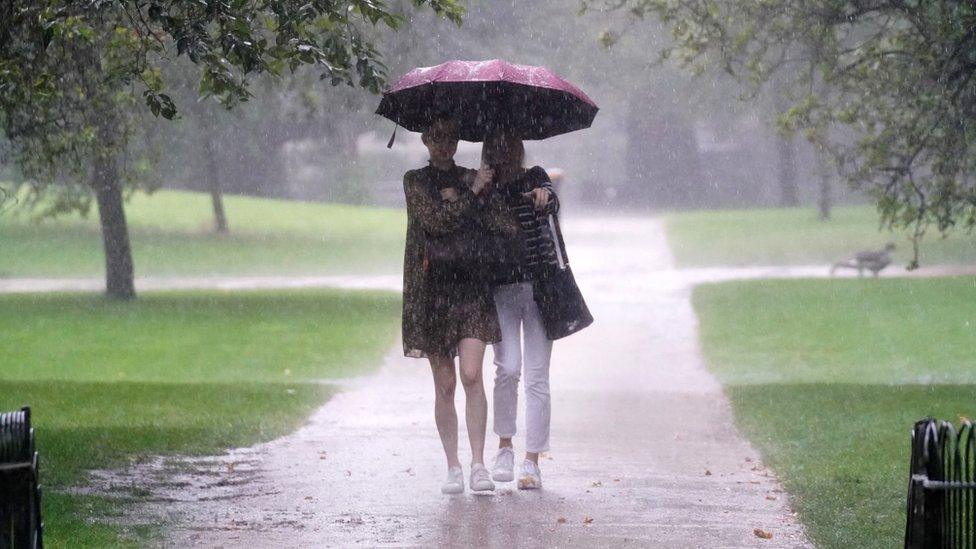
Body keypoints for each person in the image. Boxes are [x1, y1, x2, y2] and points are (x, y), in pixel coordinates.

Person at [401, 116, 499, 494]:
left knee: (472, 375)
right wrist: (469, 196)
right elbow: (436, 222)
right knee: (444, 384)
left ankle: (479, 463)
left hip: (470, 287)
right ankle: (453, 466)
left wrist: (484, 191)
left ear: (457, 141)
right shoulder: (415, 181)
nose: (444, 144)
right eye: (436, 137)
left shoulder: (474, 176)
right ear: (425, 139)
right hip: (433, 292)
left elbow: (494, 224)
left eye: (450, 137)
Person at [481, 131, 561, 490]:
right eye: (499, 144)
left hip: (540, 288)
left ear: (519, 147)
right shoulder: (485, 187)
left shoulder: (535, 178)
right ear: (489, 149)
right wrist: (477, 189)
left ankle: (532, 460)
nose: (505, 149)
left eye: (510, 143)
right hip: (501, 288)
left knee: (537, 376)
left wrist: (545, 197)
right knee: (508, 368)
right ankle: (504, 446)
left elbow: (552, 201)